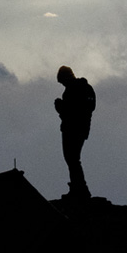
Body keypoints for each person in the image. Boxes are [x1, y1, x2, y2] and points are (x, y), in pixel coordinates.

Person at [54, 65, 96, 200]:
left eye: (62, 81)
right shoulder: (80, 89)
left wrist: (61, 107)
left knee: (72, 159)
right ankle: (78, 188)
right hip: (75, 128)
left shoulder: (79, 89)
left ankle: (80, 189)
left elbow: (82, 109)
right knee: (72, 159)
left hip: (74, 128)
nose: (62, 84)